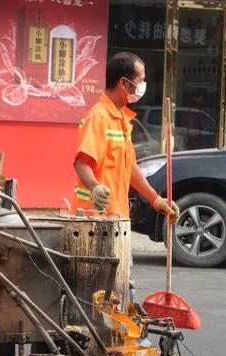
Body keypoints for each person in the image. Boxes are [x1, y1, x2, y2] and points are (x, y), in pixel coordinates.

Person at [70, 51, 179, 303]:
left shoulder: (121, 119)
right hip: (95, 222)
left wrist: (155, 200)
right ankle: (123, 337)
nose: (142, 87)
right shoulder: (98, 117)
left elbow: (130, 169)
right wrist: (96, 188)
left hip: (117, 220)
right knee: (105, 287)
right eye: (140, 80)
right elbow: (81, 163)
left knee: (117, 285)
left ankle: (119, 336)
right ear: (124, 83)